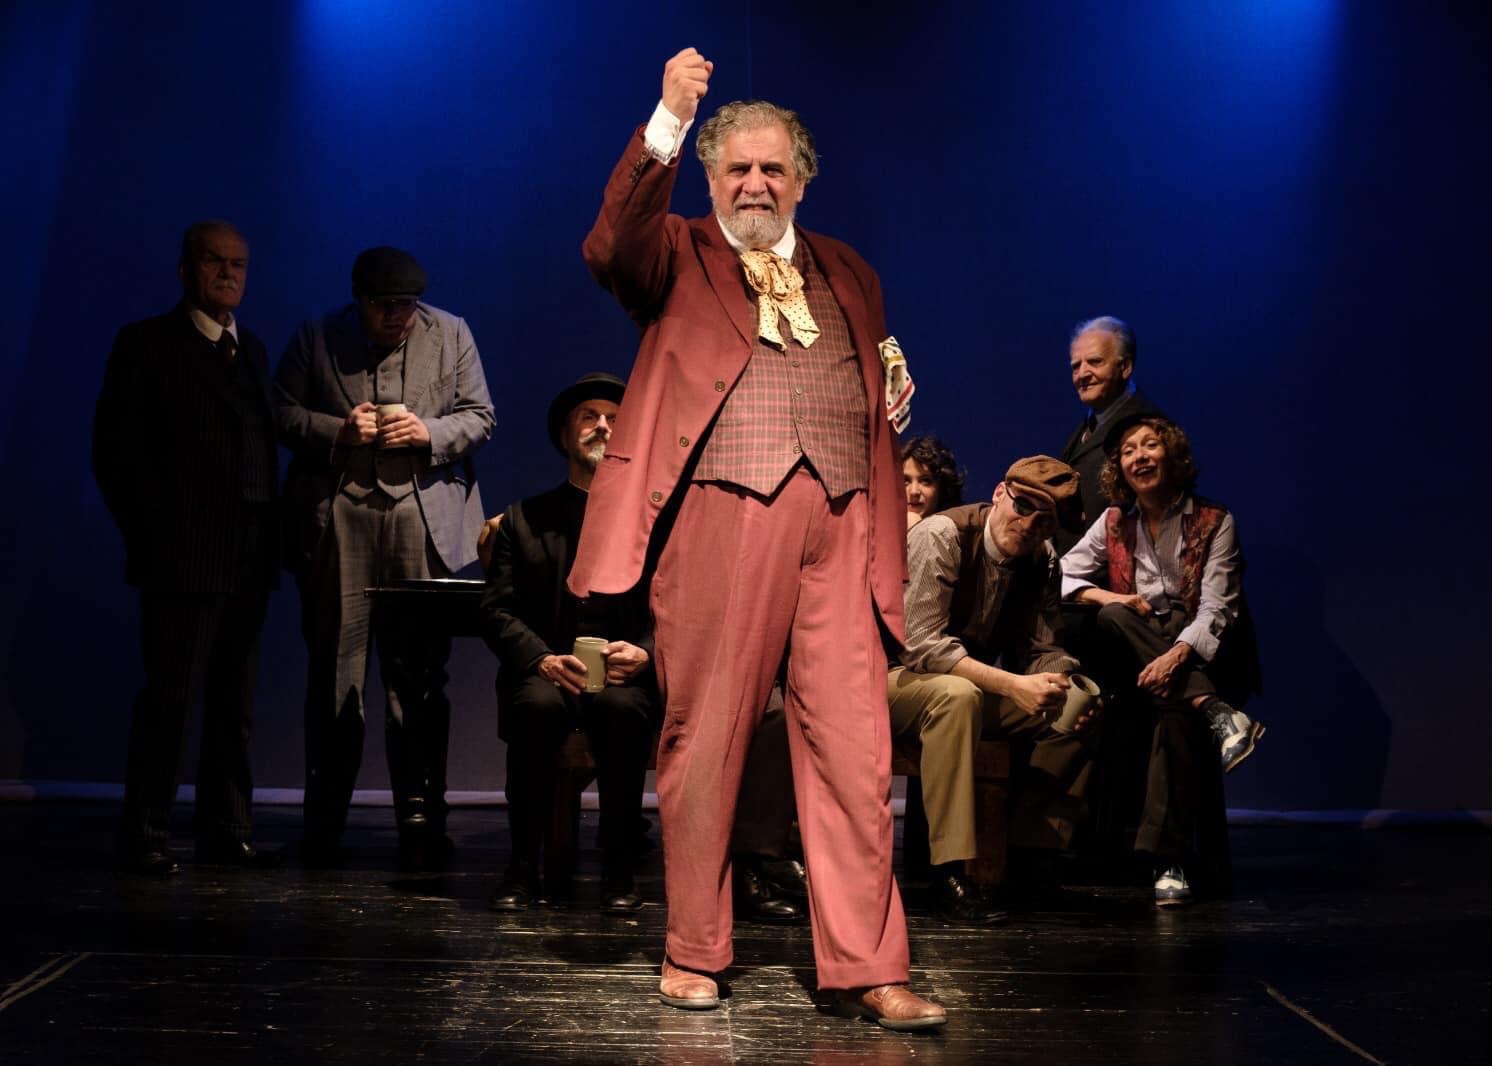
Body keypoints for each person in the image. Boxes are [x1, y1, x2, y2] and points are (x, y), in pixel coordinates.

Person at [566, 49, 945, 1028]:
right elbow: (612, 245)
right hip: (724, 509)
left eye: (773, 169)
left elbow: (872, 368)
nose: (754, 184)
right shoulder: (678, 252)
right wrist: (667, 117)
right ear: (709, 175)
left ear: (801, 181)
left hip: (844, 522)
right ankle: (694, 947)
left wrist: (890, 392)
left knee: (856, 749)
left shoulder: (849, 269)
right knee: (707, 737)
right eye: (737, 167)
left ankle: (869, 963)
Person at [274, 246, 494, 866]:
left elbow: (481, 416)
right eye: (385, 306)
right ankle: (324, 822)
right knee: (334, 673)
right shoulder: (318, 336)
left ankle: (422, 821)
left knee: (418, 675)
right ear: (360, 302)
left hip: (418, 518)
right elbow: (280, 411)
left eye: (408, 305)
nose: (399, 316)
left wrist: (430, 432)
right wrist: (337, 431)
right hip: (341, 516)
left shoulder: (451, 333)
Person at [93, 220, 280, 875]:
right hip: (182, 558)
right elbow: (115, 455)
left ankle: (226, 829)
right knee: (169, 701)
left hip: (249, 560)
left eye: (238, 264)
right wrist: (156, 536)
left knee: (235, 706)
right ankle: (146, 832)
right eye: (213, 261)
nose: (228, 274)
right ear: (185, 269)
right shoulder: (147, 344)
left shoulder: (251, 349)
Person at [1061, 414, 1263, 905]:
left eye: (1150, 446)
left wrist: (1177, 656)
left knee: (1171, 711)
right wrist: (1109, 595)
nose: (1139, 458)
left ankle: (1166, 860)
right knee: (1113, 615)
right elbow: (1062, 574)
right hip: (1139, 644)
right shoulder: (1115, 521)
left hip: (1202, 650)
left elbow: (1217, 608)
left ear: (1172, 455)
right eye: (1128, 452)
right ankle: (1216, 712)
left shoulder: (1214, 520)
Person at [888, 457, 1099, 922]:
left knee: (1074, 709)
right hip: (889, 682)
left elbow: (1043, 645)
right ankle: (949, 873)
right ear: (1001, 493)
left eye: (1045, 521)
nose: (1028, 525)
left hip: (963, 689)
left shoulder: (1042, 559)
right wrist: (1012, 684)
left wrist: (1059, 681)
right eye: (1023, 507)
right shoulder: (942, 535)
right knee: (955, 696)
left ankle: (1029, 861)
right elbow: (920, 646)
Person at [480, 373, 659, 915]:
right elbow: (496, 610)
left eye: (615, 419)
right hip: (546, 672)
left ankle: (619, 869)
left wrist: (645, 651)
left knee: (624, 710)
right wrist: (540, 658)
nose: (603, 426)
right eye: (589, 416)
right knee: (534, 706)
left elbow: (679, 607)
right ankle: (521, 865)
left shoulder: (654, 522)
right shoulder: (523, 520)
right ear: (565, 435)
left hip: (623, 676)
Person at [1056, 317, 1164, 554]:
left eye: (1095, 362)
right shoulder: (1087, 424)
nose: (1082, 374)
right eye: (1076, 366)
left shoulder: (1147, 427)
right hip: (1072, 568)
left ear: (1125, 367)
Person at [901, 434, 965, 528]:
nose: (914, 491)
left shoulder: (958, 532)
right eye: (905, 481)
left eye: (925, 481)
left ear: (942, 488)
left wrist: (917, 531)